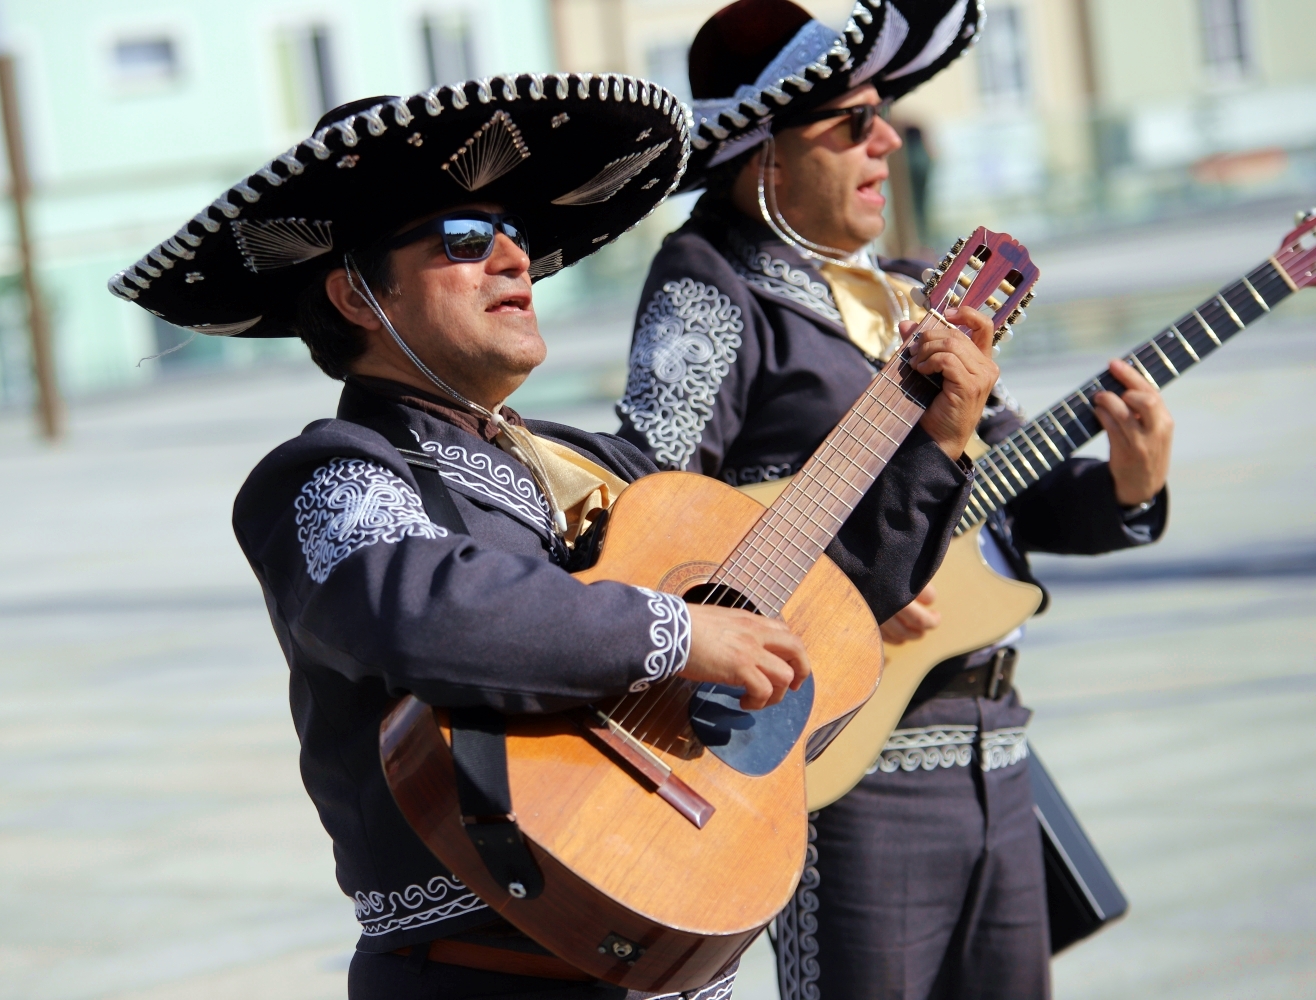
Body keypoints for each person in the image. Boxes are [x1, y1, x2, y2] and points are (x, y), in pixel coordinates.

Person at [109, 70, 993, 1000]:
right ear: (357, 298)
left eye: (519, 236)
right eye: (464, 238)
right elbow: (424, 609)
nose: (513, 259)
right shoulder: (332, 470)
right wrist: (679, 636)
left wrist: (934, 444)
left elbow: (814, 600)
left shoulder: (599, 460)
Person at [616, 2, 1173, 998]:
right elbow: (655, 512)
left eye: (885, 113)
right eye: (851, 122)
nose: (888, 138)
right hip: (848, 772)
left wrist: (1131, 487)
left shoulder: (912, 292)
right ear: (763, 159)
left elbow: (1007, 494)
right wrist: (834, 595)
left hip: (996, 752)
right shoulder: (708, 286)